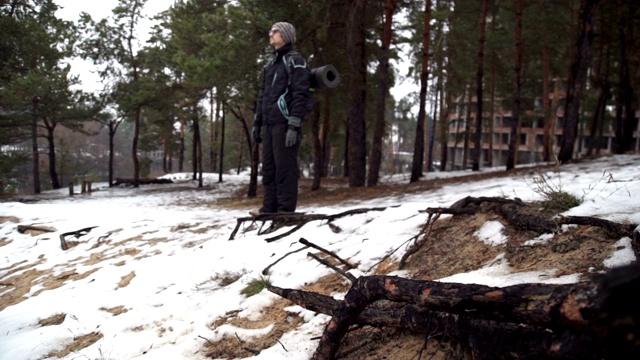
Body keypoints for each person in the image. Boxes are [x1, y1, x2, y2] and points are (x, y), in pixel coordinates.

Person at [252, 22, 311, 214]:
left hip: (285, 124)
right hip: (269, 123)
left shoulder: (295, 60)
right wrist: (257, 122)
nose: (270, 34)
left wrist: (294, 125)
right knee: (268, 168)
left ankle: (285, 210)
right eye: (270, 31)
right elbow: (263, 95)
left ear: (285, 36)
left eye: (274, 31)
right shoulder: (270, 63)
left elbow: (301, 94)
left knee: (285, 168)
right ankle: (269, 208)